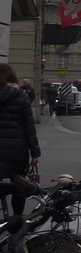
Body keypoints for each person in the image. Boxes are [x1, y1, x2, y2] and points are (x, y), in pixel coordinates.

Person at [0, 63, 40, 216]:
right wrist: (35, 153)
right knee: (19, 186)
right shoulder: (21, 96)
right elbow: (29, 128)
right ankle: (16, 222)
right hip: (16, 152)